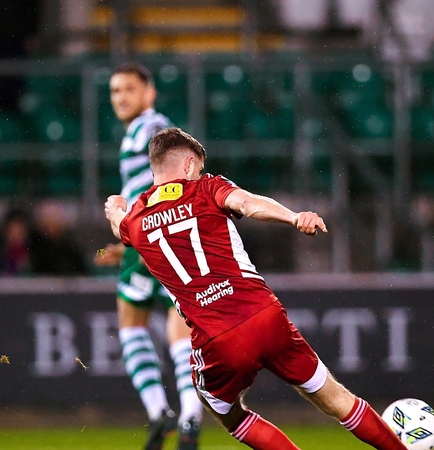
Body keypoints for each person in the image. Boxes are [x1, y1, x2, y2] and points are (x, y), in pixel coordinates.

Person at [104, 128, 407, 450]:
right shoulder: (207, 188)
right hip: (264, 315)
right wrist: (293, 218)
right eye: (200, 168)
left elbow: (119, 225)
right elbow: (248, 204)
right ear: (189, 164)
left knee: (229, 413)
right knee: (334, 396)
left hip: (217, 338)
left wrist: (114, 208)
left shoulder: (135, 220)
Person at [94, 62, 204, 450]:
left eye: (128, 89)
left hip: (153, 238)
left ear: (149, 92)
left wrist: (141, 236)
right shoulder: (144, 132)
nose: (120, 98)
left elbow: (163, 184)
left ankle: (163, 412)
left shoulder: (151, 129)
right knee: (176, 330)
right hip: (164, 239)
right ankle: (188, 417)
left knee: (134, 325)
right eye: (114, 91)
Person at [29, 200, 88, 275]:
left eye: (55, 221)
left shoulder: (71, 248)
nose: (52, 227)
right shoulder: (35, 248)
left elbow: (82, 271)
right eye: (48, 221)